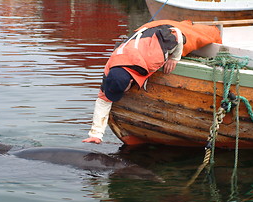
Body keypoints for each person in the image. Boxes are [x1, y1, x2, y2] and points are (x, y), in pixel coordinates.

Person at [82, 20, 222, 144]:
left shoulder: (153, 58)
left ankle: (208, 28)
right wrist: (96, 134)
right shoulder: (110, 70)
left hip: (166, 31)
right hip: (142, 36)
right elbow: (103, 101)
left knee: (205, 35)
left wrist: (175, 58)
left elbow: (177, 35)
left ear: (131, 81)